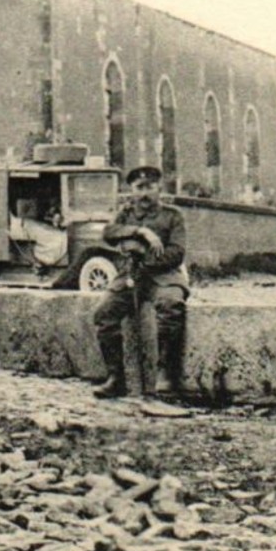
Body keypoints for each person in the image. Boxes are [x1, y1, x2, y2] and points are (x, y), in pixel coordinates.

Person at [92, 165, 189, 400]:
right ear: (131, 191)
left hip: (163, 275)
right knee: (104, 314)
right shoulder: (126, 215)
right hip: (129, 277)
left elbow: (176, 253)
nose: (145, 194)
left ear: (159, 188)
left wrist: (142, 258)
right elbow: (108, 233)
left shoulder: (172, 215)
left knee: (170, 306)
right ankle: (116, 378)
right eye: (139, 188)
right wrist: (141, 231)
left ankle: (166, 375)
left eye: (150, 187)